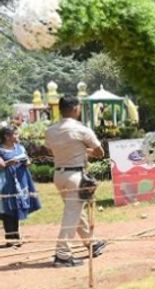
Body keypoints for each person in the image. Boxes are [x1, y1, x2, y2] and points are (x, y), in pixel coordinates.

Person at [45, 96, 107, 267]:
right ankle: (62, 254)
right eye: (79, 107)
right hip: (75, 176)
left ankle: (91, 243)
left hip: (59, 175)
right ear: (74, 109)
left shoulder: (51, 130)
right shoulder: (80, 129)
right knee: (71, 214)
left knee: (76, 211)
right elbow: (99, 152)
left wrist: (77, 150)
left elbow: (52, 151)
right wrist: (84, 151)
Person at [0, 126, 41, 247]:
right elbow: (1, 166)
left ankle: (15, 236)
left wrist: (26, 161)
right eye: (15, 134)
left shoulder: (20, 147)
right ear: (7, 137)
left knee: (16, 208)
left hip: (20, 183)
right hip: (5, 183)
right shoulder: (1, 150)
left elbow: (27, 162)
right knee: (7, 209)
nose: (17, 136)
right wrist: (11, 161)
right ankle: (11, 238)